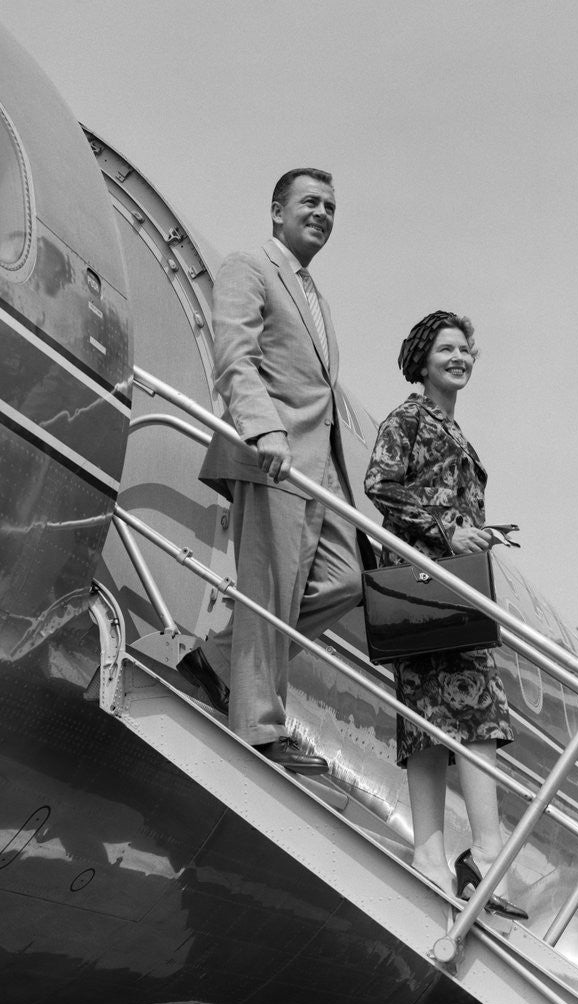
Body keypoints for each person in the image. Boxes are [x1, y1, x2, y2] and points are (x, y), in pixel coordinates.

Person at [183, 168, 366, 774]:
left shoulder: (316, 295)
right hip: (273, 457)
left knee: (344, 579)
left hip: (320, 470)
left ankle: (221, 657)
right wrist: (263, 426)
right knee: (270, 590)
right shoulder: (249, 265)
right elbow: (234, 354)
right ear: (276, 210)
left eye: (331, 207)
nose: (322, 213)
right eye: (310, 202)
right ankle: (259, 727)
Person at [364, 311, 527, 919]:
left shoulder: (452, 429)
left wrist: (475, 533)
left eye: (466, 350)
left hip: (445, 583)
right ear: (423, 359)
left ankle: (431, 859)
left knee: (433, 721)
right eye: (447, 349)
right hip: (425, 582)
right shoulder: (407, 419)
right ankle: (485, 854)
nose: (460, 357)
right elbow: (379, 484)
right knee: (475, 714)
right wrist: (449, 530)